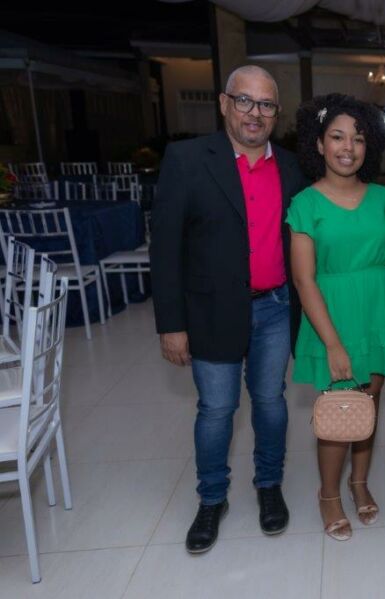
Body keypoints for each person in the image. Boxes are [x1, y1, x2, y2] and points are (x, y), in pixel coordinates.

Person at [150, 65, 307, 554]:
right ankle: (212, 498)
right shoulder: (187, 159)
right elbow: (165, 249)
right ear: (224, 103)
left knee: (271, 402)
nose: (254, 113)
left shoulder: (291, 166)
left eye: (266, 105)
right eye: (244, 101)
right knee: (217, 409)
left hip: (275, 307)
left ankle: (269, 485)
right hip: (211, 310)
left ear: (276, 114)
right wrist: (171, 324)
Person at [286, 93, 385, 541]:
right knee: (340, 407)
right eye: (337, 137)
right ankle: (329, 495)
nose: (347, 147)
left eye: (358, 138)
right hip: (332, 319)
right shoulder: (305, 204)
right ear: (319, 144)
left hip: (377, 313)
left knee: (368, 403)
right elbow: (304, 280)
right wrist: (334, 344)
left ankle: (359, 483)